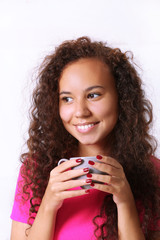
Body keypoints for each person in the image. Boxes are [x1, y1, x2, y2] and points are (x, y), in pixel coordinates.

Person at [10, 36, 160, 240]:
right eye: (67, 99)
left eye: (93, 95)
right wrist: (48, 204)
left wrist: (125, 201)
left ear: (122, 98)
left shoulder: (153, 172)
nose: (80, 112)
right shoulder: (35, 170)